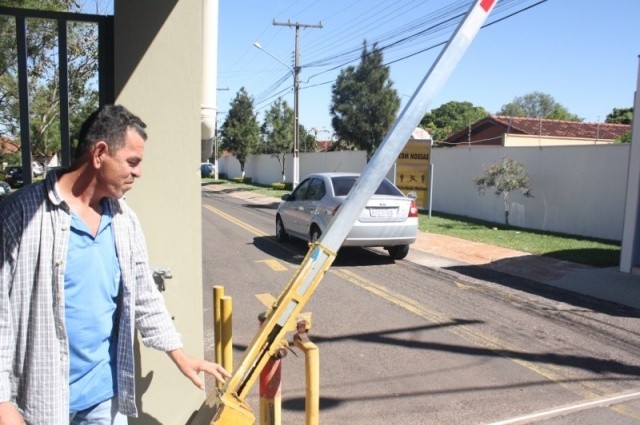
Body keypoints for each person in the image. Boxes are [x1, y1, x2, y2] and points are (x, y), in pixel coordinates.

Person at [0, 104, 230, 424]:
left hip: (103, 401)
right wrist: (2, 402)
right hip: (41, 400)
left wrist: (181, 356)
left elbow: (144, 294)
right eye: (132, 162)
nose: (138, 172)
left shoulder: (124, 219)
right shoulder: (21, 213)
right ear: (100, 153)